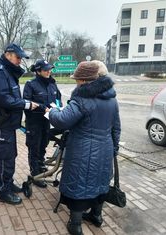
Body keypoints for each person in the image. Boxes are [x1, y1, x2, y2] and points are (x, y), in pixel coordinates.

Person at [48, 61, 121, 235]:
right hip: (105, 150)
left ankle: (75, 225)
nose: (76, 82)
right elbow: (116, 128)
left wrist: (51, 112)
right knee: (100, 183)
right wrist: (114, 149)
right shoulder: (112, 99)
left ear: (85, 81)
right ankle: (96, 216)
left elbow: (61, 120)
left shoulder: (82, 99)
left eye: (78, 79)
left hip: (82, 150)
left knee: (79, 184)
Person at [0, 43, 38, 205]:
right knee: (4, 158)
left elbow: (11, 97)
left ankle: (7, 182)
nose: (20, 60)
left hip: (8, 123)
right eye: (18, 57)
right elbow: (4, 99)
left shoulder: (7, 72)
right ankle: (3, 190)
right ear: (8, 54)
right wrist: (26, 104)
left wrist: (24, 103)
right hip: (1, 124)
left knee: (10, 155)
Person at [23, 59, 62, 188]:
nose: (48, 71)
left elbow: (58, 99)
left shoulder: (52, 84)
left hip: (47, 121)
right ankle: (35, 174)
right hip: (34, 122)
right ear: (38, 71)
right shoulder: (31, 84)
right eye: (45, 70)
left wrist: (58, 107)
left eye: (50, 69)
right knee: (34, 147)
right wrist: (41, 107)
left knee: (43, 145)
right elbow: (26, 102)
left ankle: (41, 166)